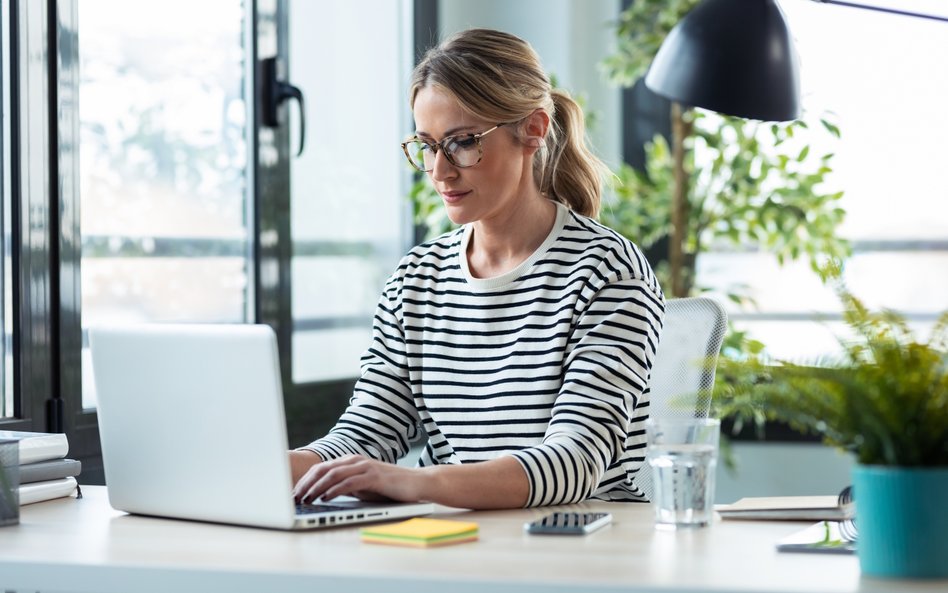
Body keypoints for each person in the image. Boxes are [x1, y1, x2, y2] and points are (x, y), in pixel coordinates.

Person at [290, 28, 664, 509]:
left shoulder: (608, 271)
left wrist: (412, 482)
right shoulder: (416, 280)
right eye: (426, 145)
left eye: (462, 142)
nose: (440, 172)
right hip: (454, 543)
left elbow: (575, 460)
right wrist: (270, 466)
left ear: (533, 129)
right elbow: (365, 436)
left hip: (575, 549)